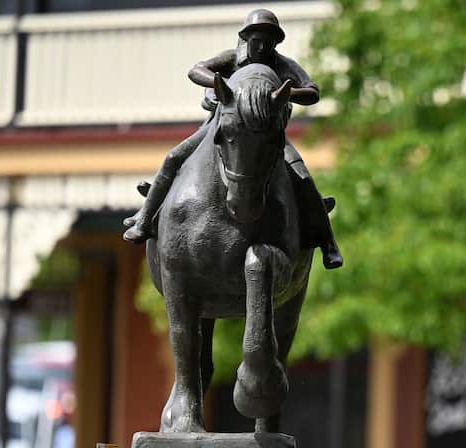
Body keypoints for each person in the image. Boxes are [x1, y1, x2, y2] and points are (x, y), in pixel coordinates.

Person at [122, 9, 344, 270]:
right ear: (245, 39)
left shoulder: (282, 65)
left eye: (268, 41)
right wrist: (224, 84)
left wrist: (285, 93)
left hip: (268, 136)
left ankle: (327, 242)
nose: (262, 46)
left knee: (303, 177)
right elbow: (196, 70)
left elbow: (312, 91)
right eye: (256, 40)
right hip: (225, 128)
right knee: (174, 158)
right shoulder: (232, 59)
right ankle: (145, 218)